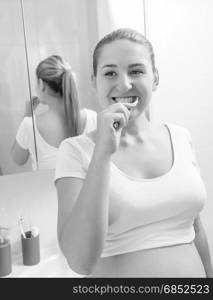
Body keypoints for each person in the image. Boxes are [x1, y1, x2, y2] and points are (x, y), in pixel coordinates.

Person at [55, 28, 213, 277]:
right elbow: (79, 261)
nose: (125, 83)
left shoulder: (181, 137)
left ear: (156, 78)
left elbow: (195, 229)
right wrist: (102, 154)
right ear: (94, 81)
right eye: (110, 73)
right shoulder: (75, 151)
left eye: (136, 71)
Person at [11, 55, 97, 171]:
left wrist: (27, 116)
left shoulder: (29, 125)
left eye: (36, 83)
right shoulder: (93, 118)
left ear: (41, 84)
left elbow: (18, 159)